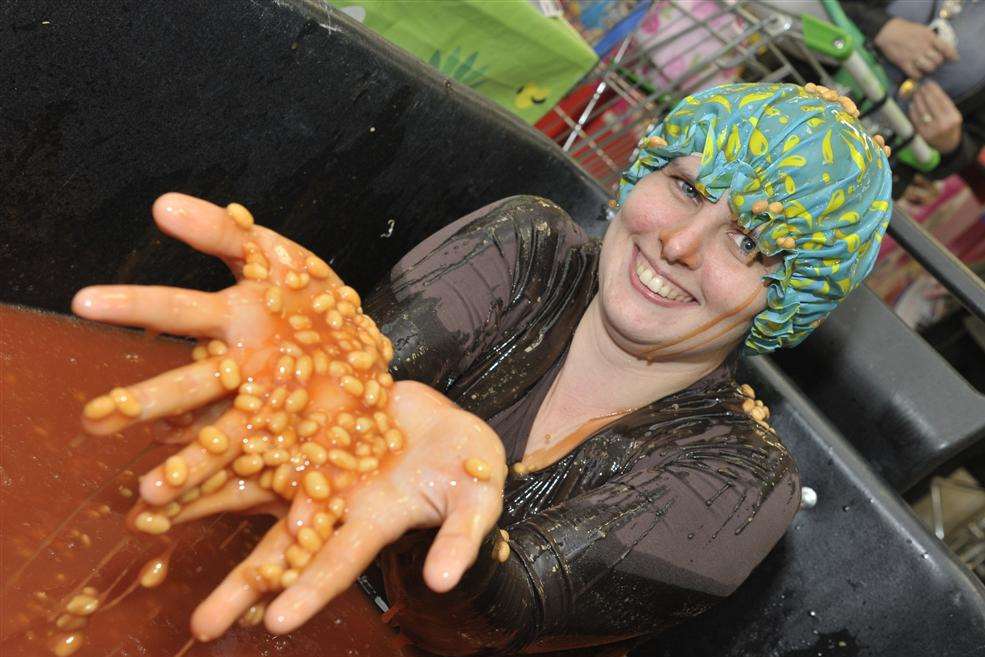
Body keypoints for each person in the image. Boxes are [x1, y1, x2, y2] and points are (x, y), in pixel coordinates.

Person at [71, 82, 892, 655]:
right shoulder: (525, 246)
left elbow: (479, 625)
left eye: (746, 243)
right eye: (684, 188)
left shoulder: (739, 479)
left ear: (782, 299)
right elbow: (350, 385)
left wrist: (440, 510)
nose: (679, 244)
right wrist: (303, 368)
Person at [842, 1, 985, 198]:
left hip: (858, 169)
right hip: (799, 76)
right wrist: (882, 27)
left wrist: (951, 144)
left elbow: (967, 149)